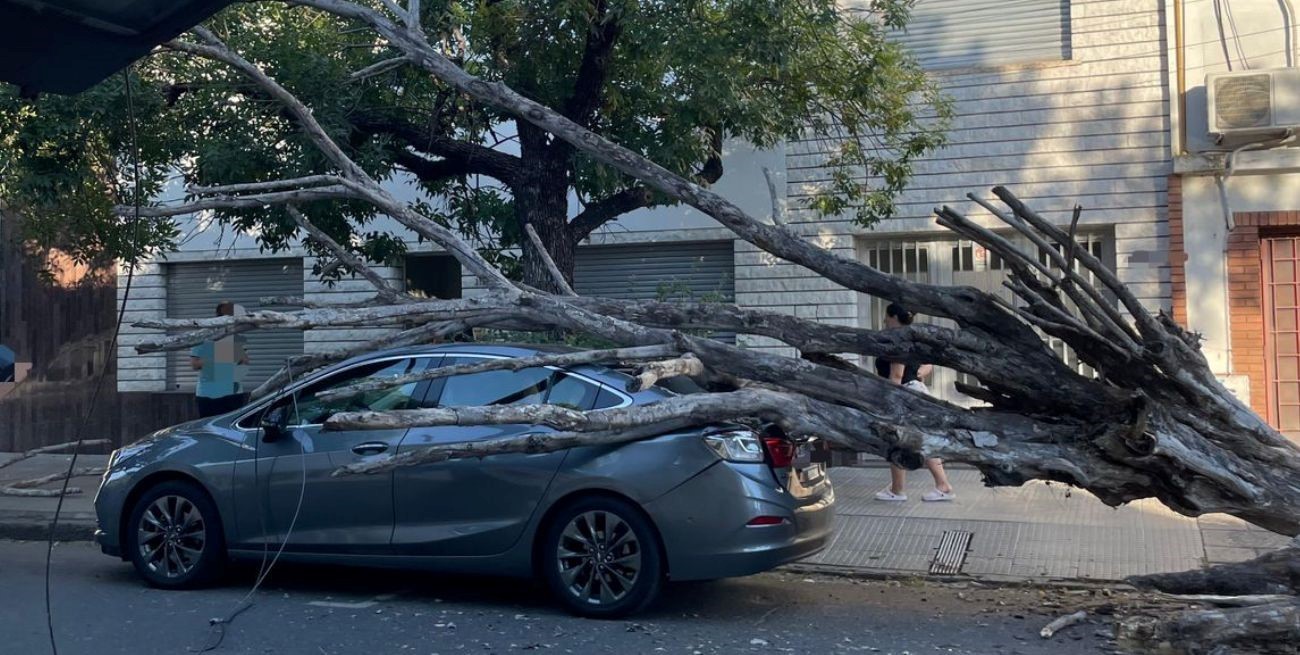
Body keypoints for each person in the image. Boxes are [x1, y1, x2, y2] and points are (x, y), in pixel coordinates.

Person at [873, 303, 956, 503]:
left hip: (904, 393)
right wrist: (919, 372)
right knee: (920, 441)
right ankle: (940, 486)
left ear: (894, 317)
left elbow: (896, 375)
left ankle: (898, 490)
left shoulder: (899, 340)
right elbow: (928, 363)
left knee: (896, 440)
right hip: (914, 391)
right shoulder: (911, 336)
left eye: (887, 316)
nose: (884, 320)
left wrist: (888, 402)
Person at [190, 301, 250, 417]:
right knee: (209, 426)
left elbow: (245, 361)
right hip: (208, 394)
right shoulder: (203, 336)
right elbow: (195, 364)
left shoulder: (237, 337)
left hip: (233, 393)